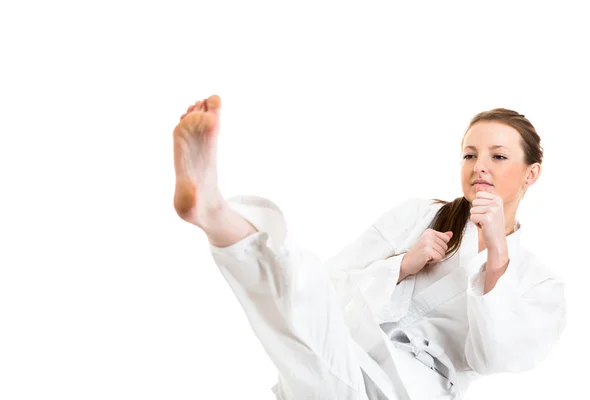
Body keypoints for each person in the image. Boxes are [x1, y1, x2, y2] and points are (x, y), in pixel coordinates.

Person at [171, 95, 566, 400]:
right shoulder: (419, 216)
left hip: (413, 389)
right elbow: (331, 283)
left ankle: (219, 218)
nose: (480, 166)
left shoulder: (539, 282)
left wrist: (497, 251)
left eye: (498, 156)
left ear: (532, 173)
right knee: (304, 285)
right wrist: (400, 266)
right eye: (469, 154)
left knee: (313, 355)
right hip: (348, 348)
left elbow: (495, 357)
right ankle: (214, 214)